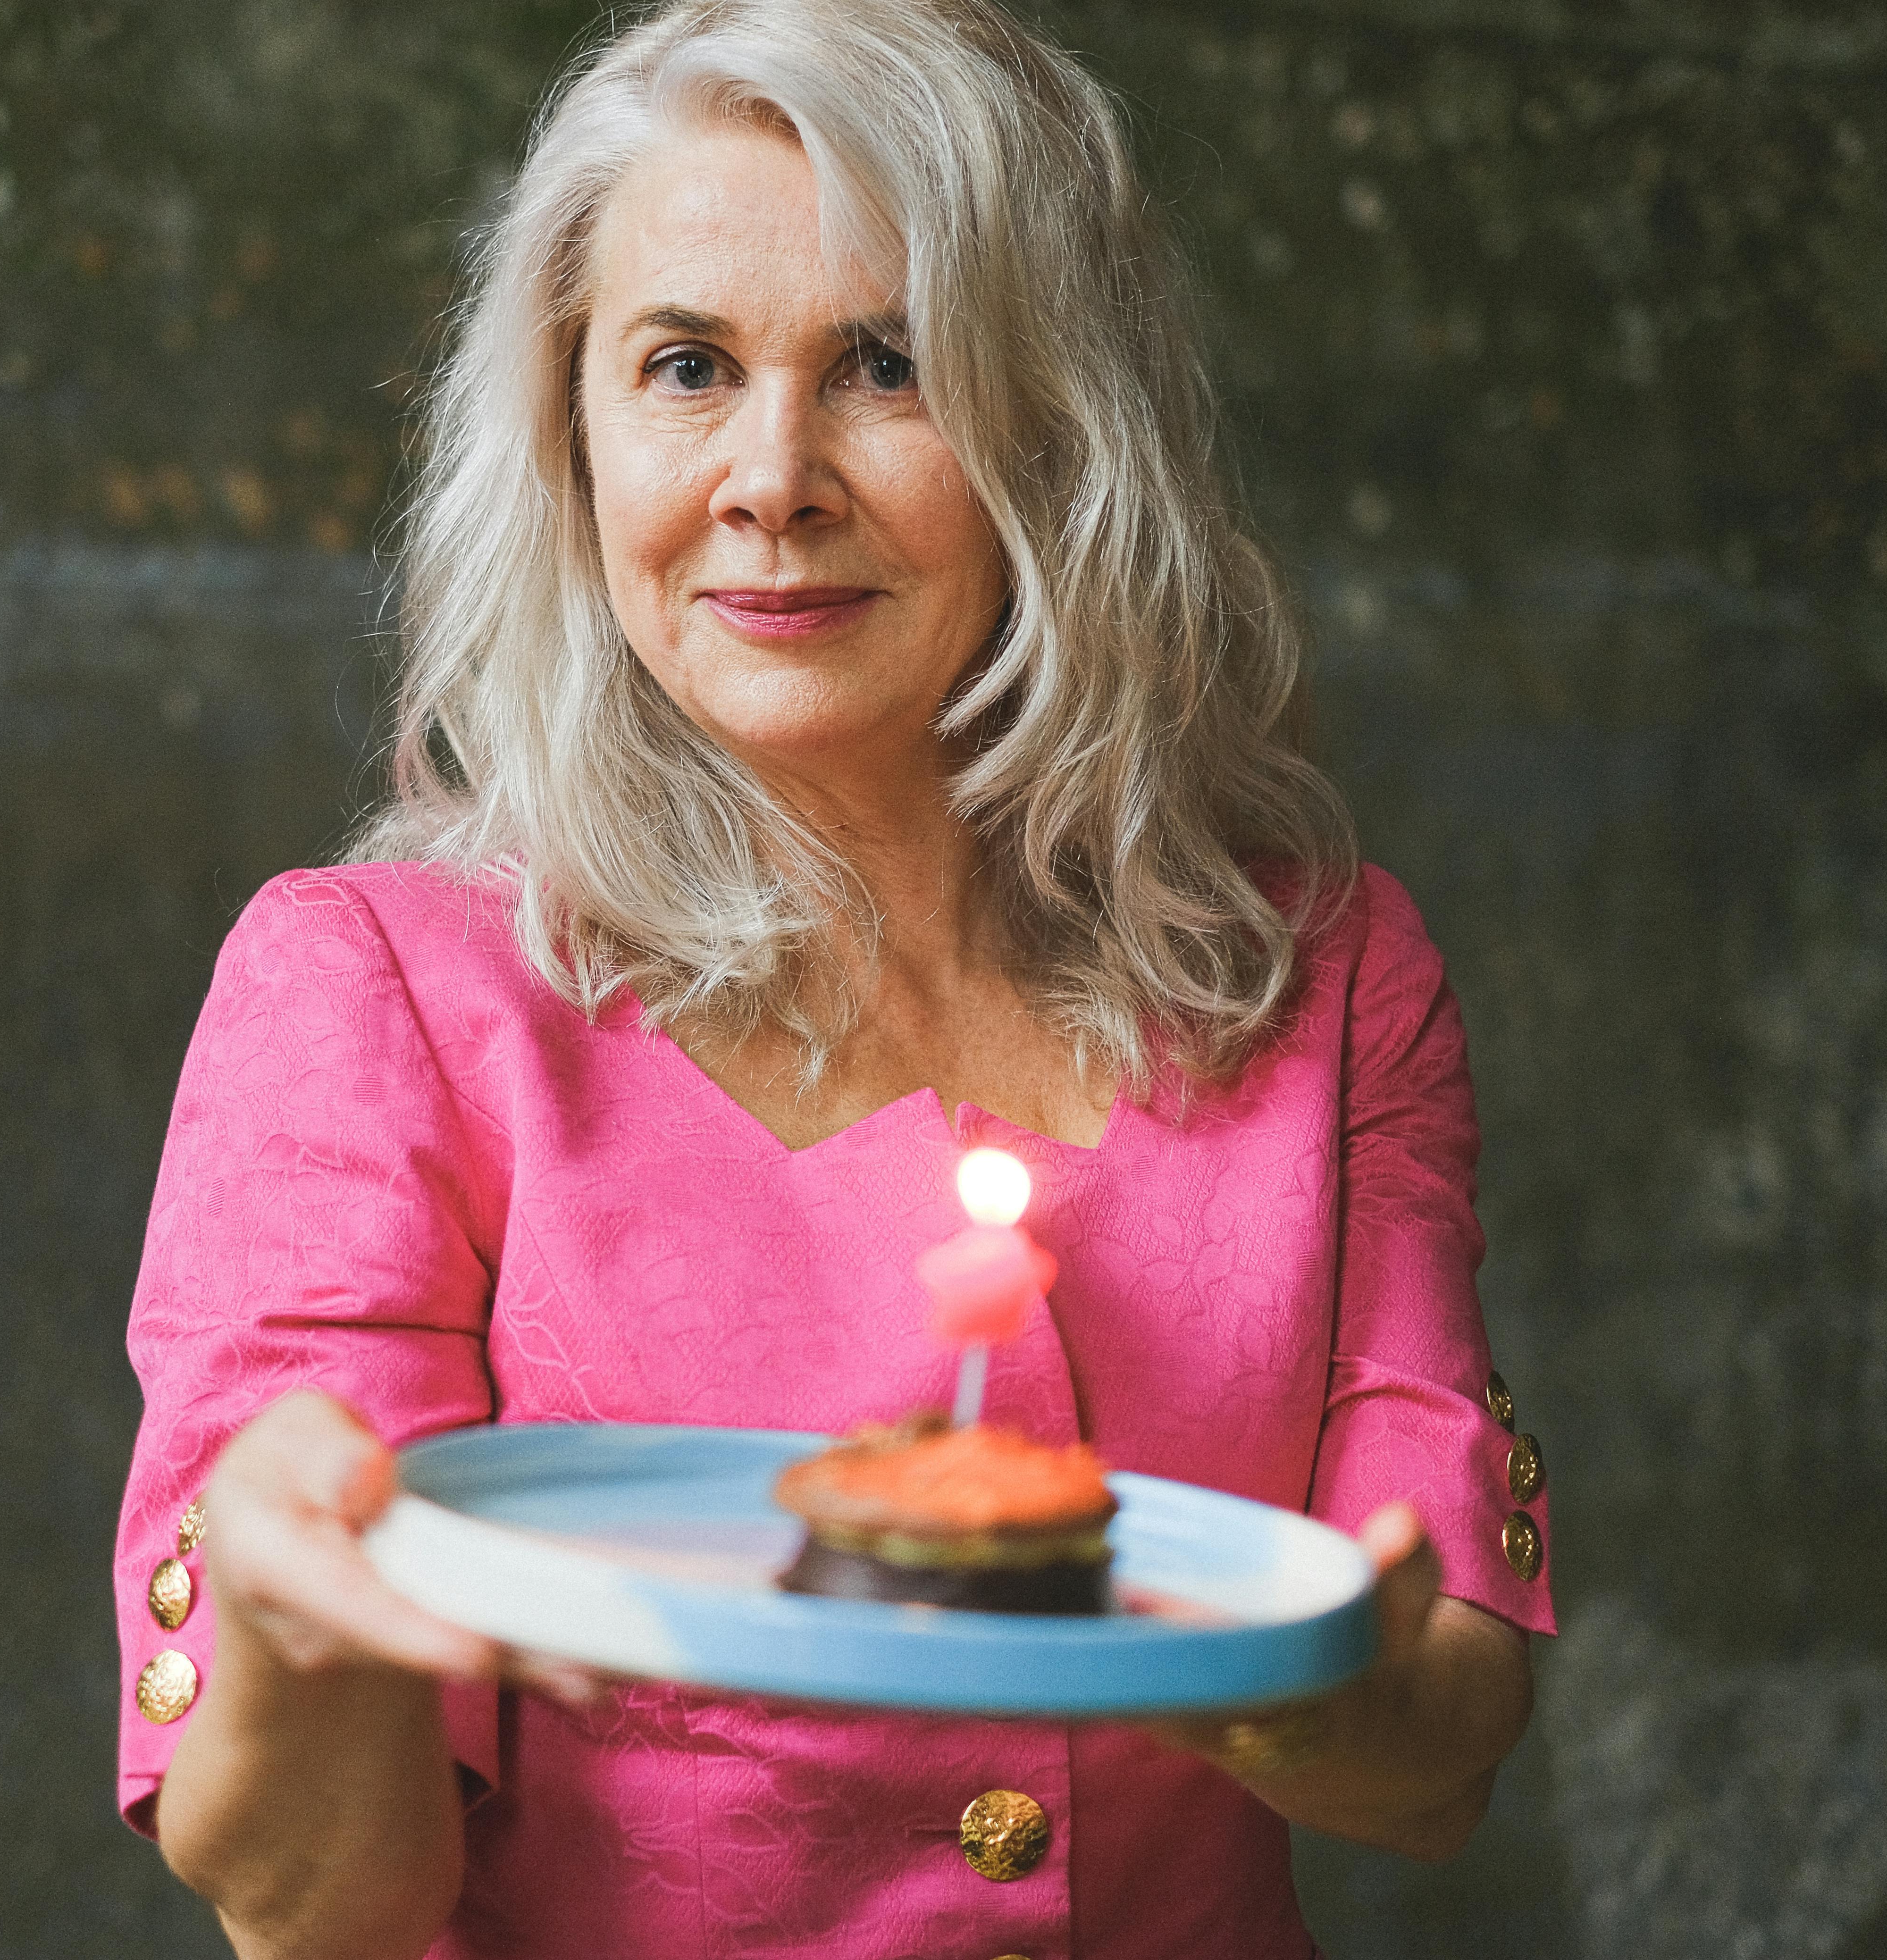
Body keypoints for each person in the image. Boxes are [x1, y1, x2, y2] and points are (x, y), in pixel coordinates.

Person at [111, 1, 1552, 1952]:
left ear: (1060, 427)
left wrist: (1250, 1669)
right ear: (571, 430)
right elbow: (315, 1907)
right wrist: (301, 1627)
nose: (771, 476)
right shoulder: (371, 995)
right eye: (685, 367)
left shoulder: (1327, 976)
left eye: (886, 365)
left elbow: (1439, 1753)